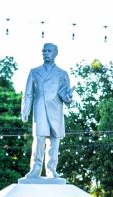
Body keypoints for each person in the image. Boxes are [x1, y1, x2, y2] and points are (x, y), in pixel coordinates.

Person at [20, 43, 73, 179]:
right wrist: (25, 110)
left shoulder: (62, 74)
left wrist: (68, 97)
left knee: (54, 140)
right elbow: (28, 93)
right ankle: (35, 169)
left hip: (56, 109)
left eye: (49, 51)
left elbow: (66, 97)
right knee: (39, 139)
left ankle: (51, 170)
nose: (46, 53)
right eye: (44, 51)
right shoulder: (34, 71)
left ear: (55, 53)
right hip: (40, 108)